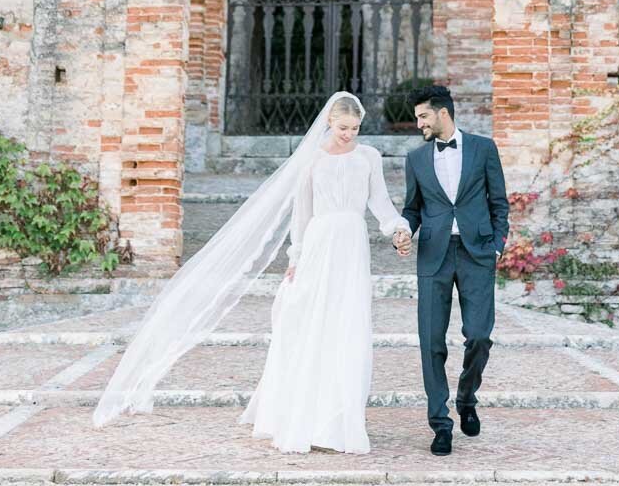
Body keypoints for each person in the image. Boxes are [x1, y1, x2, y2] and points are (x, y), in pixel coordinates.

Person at [92, 91, 408, 456]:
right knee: (308, 324)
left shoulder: (368, 158)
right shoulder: (312, 161)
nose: (348, 134)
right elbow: (302, 215)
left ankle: (341, 420)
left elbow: (380, 203)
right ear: (329, 123)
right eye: (342, 127)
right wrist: (295, 258)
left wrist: (397, 228)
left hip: (353, 247)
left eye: (354, 128)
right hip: (320, 245)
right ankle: (302, 414)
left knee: (347, 326)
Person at [393, 86, 510, 455]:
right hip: (433, 254)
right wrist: (403, 230)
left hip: (477, 251)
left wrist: (497, 243)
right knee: (431, 341)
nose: (419, 124)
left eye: (423, 116)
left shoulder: (483, 148)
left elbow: (499, 202)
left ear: (442, 113)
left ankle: (466, 397)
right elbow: (413, 208)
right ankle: (440, 424)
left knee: (479, 335)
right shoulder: (416, 159)